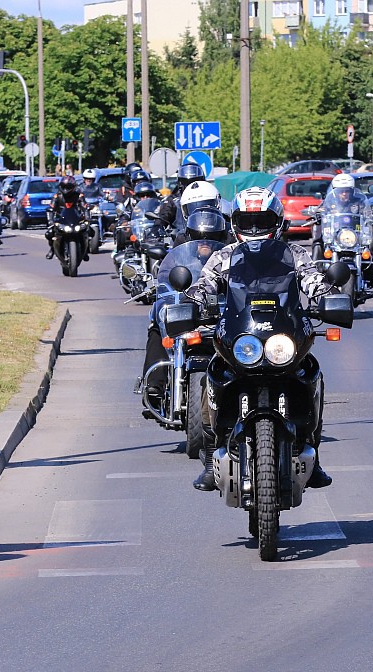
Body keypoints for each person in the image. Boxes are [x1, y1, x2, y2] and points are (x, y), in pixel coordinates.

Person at [186, 186, 333, 492]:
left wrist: (327, 297)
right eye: (247, 222)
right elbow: (205, 284)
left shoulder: (295, 254)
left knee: (313, 373)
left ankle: (313, 453)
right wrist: (195, 302)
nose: (254, 229)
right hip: (241, 334)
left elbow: (312, 279)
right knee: (208, 376)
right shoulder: (224, 256)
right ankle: (212, 455)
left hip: (285, 332)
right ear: (234, 223)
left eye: (262, 221)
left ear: (277, 222)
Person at [140, 208, 231, 407]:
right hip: (189, 313)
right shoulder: (178, 258)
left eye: (212, 238)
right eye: (200, 238)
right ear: (190, 237)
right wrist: (162, 293)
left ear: (222, 237)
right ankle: (154, 385)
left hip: (221, 315)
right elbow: (165, 280)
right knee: (157, 323)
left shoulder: (230, 259)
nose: (205, 243)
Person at [44, 174, 88, 260]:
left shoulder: (78, 195)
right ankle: (52, 249)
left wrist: (87, 217)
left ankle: (85, 250)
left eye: (68, 187)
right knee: (49, 233)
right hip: (60, 219)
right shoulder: (57, 196)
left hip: (75, 219)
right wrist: (50, 220)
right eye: (64, 186)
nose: (66, 189)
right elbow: (51, 208)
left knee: (89, 230)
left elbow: (84, 206)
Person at [157, 163, 206, 229]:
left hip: (206, 235)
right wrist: (157, 227)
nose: (191, 186)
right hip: (181, 237)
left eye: (194, 182)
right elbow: (164, 216)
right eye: (185, 182)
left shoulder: (209, 198)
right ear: (180, 184)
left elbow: (220, 214)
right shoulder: (174, 200)